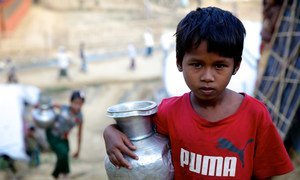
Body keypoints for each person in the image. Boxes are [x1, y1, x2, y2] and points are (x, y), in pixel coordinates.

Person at [103, 7, 294, 179]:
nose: (207, 76)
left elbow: (265, 173)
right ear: (179, 62)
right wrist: (110, 132)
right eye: (197, 64)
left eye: (219, 66)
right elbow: (136, 134)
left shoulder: (255, 115)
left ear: (236, 66)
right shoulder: (168, 112)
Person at [45, 90, 85, 179]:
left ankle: (63, 174)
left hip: (63, 138)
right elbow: (51, 104)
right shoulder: (64, 108)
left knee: (65, 154)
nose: (77, 106)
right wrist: (41, 106)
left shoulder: (80, 117)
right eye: (75, 103)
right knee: (62, 154)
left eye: (80, 103)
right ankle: (58, 174)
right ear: (71, 102)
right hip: (52, 134)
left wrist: (78, 150)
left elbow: (79, 135)